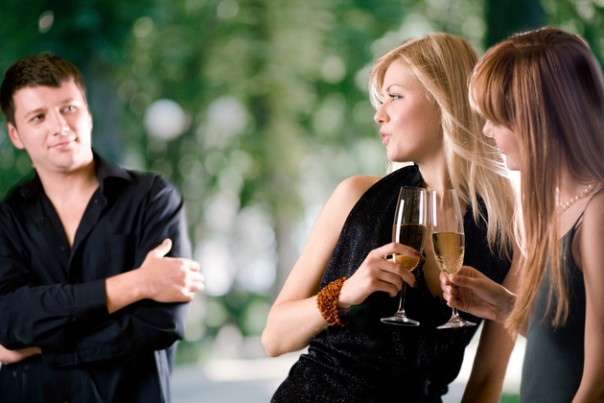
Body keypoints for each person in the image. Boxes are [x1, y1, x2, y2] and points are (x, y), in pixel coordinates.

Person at [262, 33, 519, 402]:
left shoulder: (505, 230)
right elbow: (274, 337)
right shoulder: (356, 198)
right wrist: (344, 292)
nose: (379, 114)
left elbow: (487, 381)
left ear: (443, 100)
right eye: (381, 100)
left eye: (395, 96)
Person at [0, 53, 205, 402]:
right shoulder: (7, 218)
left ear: (88, 112)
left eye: (69, 108)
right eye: (38, 117)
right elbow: (10, 319)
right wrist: (138, 283)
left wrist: (43, 348)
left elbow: (160, 323)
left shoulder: (151, 197)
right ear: (16, 135)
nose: (60, 126)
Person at [441, 27, 604, 402]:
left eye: (496, 119)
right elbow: (567, 341)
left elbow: (598, 381)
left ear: (535, 119)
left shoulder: (597, 213)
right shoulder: (559, 209)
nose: (486, 131)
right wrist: (502, 305)